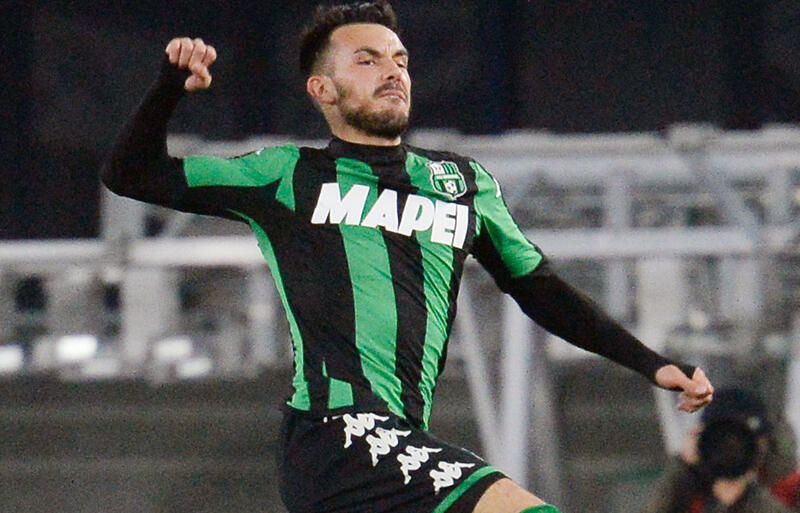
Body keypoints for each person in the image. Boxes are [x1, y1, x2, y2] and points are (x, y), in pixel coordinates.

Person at [101, 2, 714, 512]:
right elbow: (130, 173)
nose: (392, 72)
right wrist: (168, 88)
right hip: (336, 435)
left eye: (400, 60)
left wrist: (651, 363)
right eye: (366, 61)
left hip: (399, 441)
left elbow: (539, 287)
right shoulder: (287, 176)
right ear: (323, 89)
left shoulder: (462, 184)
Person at [642, 388, 799, 513]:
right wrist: (682, 468)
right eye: (722, 440)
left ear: (764, 442)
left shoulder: (791, 488)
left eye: (741, 440)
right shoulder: (687, 486)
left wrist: (748, 499)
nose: (732, 450)